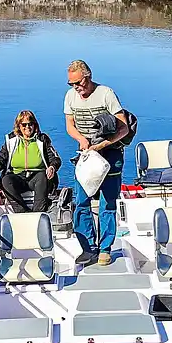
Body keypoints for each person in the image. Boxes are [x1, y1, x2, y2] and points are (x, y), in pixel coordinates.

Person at [64, 60, 128, 266]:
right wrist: (82, 141)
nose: (76, 87)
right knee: (81, 201)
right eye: (71, 84)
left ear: (88, 76)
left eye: (79, 83)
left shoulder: (106, 94)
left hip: (110, 153)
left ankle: (105, 248)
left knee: (107, 203)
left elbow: (123, 129)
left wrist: (100, 146)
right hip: (87, 155)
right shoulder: (70, 97)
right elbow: (69, 126)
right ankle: (88, 247)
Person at [0, 110, 62, 212]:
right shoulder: (11, 140)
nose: (27, 127)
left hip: (37, 178)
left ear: (35, 125)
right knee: (5, 181)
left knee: (43, 177)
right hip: (18, 177)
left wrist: (52, 167)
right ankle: (22, 212)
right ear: (19, 126)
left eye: (30, 124)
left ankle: (38, 213)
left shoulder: (42, 139)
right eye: (24, 125)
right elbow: (1, 158)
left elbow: (55, 158)